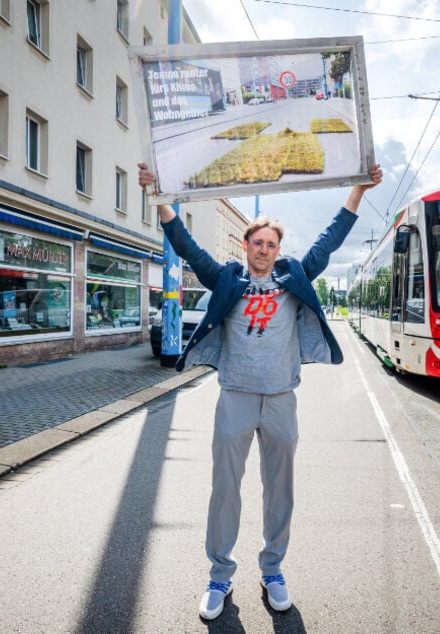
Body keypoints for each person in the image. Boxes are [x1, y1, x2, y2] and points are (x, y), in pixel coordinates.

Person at [138, 162, 382, 620]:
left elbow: (330, 240)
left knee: (279, 490)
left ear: (277, 249)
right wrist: (158, 196)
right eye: (258, 243)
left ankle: (272, 570)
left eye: (271, 244)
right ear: (246, 246)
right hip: (235, 396)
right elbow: (187, 247)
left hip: (281, 400)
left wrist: (358, 189)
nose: (264, 250)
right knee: (225, 489)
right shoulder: (226, 278)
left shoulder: (295, 277)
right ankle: (219, 576)